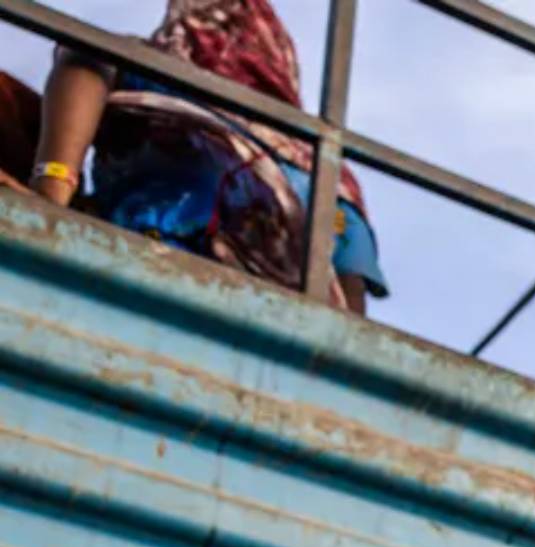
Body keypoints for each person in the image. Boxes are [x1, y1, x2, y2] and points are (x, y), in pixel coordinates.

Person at [27, 0, 386, 313]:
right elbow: (350, 308)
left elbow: (86, 59)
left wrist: (52, 193)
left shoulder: (161, 75)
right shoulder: (331, 171)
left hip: (137, 269)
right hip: (262, 335)